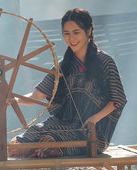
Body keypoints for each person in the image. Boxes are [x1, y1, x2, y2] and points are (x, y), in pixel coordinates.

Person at [9, 8, 127, 157]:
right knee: (29, 137)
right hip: (63, 125)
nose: (71, 39)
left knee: (51, 143)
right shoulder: (62, 66)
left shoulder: (105, 62)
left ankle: (46, 149)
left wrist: (94, 118)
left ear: (89, 31)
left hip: (93, 132)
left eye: (76, 32)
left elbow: (118, 100)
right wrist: (15, 100)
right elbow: (37, 96)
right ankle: (39, 149)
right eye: (66, 33)